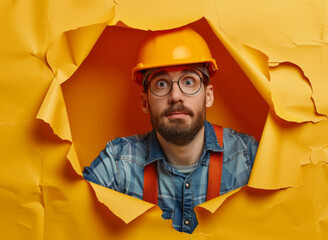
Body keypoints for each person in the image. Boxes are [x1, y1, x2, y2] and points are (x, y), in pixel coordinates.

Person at [83, 26, 258, 234]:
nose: (176, 96)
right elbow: (67, 216)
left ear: (208, 96)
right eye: (162, 83)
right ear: (145, 102)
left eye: (189, 81)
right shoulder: (118, 164)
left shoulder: (248, 158)